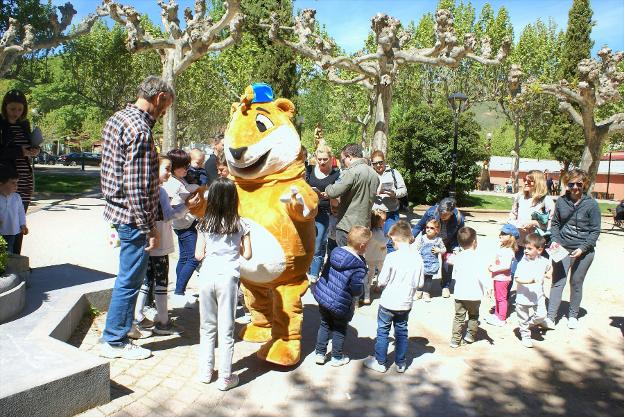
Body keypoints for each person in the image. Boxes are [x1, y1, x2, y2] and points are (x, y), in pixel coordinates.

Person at [99, 75, 174, 360]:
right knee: (129, 279)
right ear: (159, 98)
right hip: (133, 218)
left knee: (128, 277)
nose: (165, 112)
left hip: (118, 212)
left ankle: (124, 326)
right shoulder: (140, 129)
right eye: (166, 106)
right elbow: (137, 185)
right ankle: (114, 340)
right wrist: (149, 227)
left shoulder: (117, 118)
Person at [195, 178, 252, 391]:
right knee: (226, 327)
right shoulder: (241, 223)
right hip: (228, 278)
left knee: (207, 326)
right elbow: (247, 254)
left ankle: (205, 371)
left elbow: (198, 255)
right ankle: (225, 377)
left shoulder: (203, 223)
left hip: (207, 275)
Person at [132, 155, 197, 338]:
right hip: (159, 243)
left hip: (148, 243)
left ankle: (138, 316)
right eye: (166, 168)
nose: (169, 172)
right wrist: (186, 206)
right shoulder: (159, 191)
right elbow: (169, 215)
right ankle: (163, 322)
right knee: (160, 282)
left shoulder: (146, 189)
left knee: (147, 280)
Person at [363, 220, 423, 374]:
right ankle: (401, 363)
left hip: (388, 302)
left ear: (395, 238)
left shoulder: (392, 257)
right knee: (402, 332)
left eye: (392, 240)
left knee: (383, 331)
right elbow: (420, 283)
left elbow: (382, 280)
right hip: (406, 303)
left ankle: (380, 361)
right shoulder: (418, 258)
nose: (392, 244)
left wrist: (379, 285)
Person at [545, 169, 601, 330]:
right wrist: (555, 241)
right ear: (566, 185)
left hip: (584, 251)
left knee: (576, 283)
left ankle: (573, 315)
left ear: (585, 184)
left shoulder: (591, 205)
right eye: (571, 184)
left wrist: (583, 248)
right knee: (557, 282)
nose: (575, 187)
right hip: (561, 247)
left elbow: (595, 231)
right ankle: (550, 317)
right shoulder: (561, 201)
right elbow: (555, 224)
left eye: (579, 184)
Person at [312, 226, 370, 367]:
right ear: (362, 246)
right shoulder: (359, 265)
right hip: (340, 303)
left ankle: (320, 353)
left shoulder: (334, 252)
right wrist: (359, 293)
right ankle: (336, 357)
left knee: (325, 323)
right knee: (339, 328)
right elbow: (356, 289)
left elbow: (325, 271)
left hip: (324, 297)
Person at [0, 89, 39, 254]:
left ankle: (17, 261)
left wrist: (34, 150)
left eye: (20, 109)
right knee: (4, 223)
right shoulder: (1, 125)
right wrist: (20, 151)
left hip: (25, 181)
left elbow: (26, 147)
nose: (16, 113)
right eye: (12, 109)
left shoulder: (24, 125)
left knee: (19, 222)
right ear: (5, 107)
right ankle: (4, 263)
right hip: (6, 181)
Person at [163, 148, 201, 307]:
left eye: (187, 166)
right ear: (173, 166)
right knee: (193, 258)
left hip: (186, 223)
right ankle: (179, 292)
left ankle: (179, 292)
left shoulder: (180, 180)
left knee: (185, 257)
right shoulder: (172, 184)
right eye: (183, 166)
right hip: (184, 224)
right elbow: (168, 210)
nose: (186, 169)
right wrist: (187, 205)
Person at [325, 144, 379, 247]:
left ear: (349, 156)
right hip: (364, 226)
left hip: (347, 226)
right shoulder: (373, 173)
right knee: (358, 257)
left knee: (345, 259)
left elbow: (333, 192)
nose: (343, 163)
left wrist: (327, 187)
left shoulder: (351, 172)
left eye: (343, 159)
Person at [412, 197, 464, 298]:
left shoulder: (458, 218)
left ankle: (445, 286)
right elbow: (419, 225)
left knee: (448, 264)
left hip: (449, 242)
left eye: (444, 215)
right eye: (440, 213)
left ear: (451, 212)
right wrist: (411, 236)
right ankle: (422, 287)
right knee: (425, 263)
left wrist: (457, 248)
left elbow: (459, 235)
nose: (441, 216)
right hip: (431, 241)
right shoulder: (431, 212)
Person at [450, 227, 490, 348]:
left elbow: (455, 275)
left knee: (458, 317)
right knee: (473, 316)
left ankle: (455, 340)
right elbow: (482, 275)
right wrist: (488, 287)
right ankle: (470, 336)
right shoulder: (478, 257)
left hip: (460, 293)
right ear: (474, 242)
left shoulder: (458, 257)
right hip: (474, 294)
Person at [305, 144, 340, 282]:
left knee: (319, 243)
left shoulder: (337, 174)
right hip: (307, 210)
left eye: (325, 159)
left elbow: (339, 194)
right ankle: (304, 270)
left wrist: (330, 195)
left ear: (331, 158)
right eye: (319, 159)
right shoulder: (309, 170)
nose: (322, 162)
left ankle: (314, 274)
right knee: (305, 242)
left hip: (324, 212)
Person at [514, 233, 551, 348]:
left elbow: (550, 267)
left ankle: (529, 323)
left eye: (529, 248)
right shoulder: (522, 263)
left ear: (539, 250)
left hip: (538, 295)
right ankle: (525, 336)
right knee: (523, 317)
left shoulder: (543, 260)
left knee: (541, 315)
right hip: (523, 296)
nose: (525, 251)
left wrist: (549, 273)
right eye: (525, 248)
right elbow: (517, 278)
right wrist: (529, 281)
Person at [370, 150, 408, 252]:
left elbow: (403, 190)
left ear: (384, 161)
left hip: (391, 213)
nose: (378, 165)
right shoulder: (369, 174)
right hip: (374, 215)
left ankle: (389, 265)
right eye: (375, 163)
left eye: (380, 162)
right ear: (372, 164)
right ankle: (376, 266)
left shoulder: (394, 173)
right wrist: (374, 192)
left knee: (391, 241)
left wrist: (394, 193)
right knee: (373, 242)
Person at [485, 223, 519, 326]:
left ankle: (502, 319)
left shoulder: (509, 251)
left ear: (511, 237)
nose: (501, 235)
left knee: (502, 299)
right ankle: (497, 315)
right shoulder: (503, 248)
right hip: (498, 277)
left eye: (504, 234)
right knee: (497, 297)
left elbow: (506, 266)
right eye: (501, 233)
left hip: (502, 278)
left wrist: (494, 268)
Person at [413, 219, 446, 302]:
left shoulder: (438, 240)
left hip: (432, 263)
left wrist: (439, 250)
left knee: (428, 279)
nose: (428, 229)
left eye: (431, 228)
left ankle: (426, 293)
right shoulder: (423, 238)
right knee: (420, 278)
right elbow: (417, 249)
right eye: (427, 227)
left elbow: (444, 249)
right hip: (422, 262)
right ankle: (418, 292)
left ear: (437, 230)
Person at [0, 164, 27, 253]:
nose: (16, 186)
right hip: (1, 231)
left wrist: (23, 224)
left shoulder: (17, 197)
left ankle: (8, 266)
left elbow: (21, 212)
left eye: (17, 183)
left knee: (9, 252)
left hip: (12, 231)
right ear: (1, 184)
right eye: (13, 183)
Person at [363, 209, 387, 304]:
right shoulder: (377, 232)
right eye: (383, 220)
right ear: (377, 221)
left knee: (370, 272)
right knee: (380, 271)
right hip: (379, 256)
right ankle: (377, 286)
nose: (384, 223)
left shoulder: (369, 231)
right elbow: (383, 242)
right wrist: (388, 237)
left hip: (369, 256)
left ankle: (367, 294)